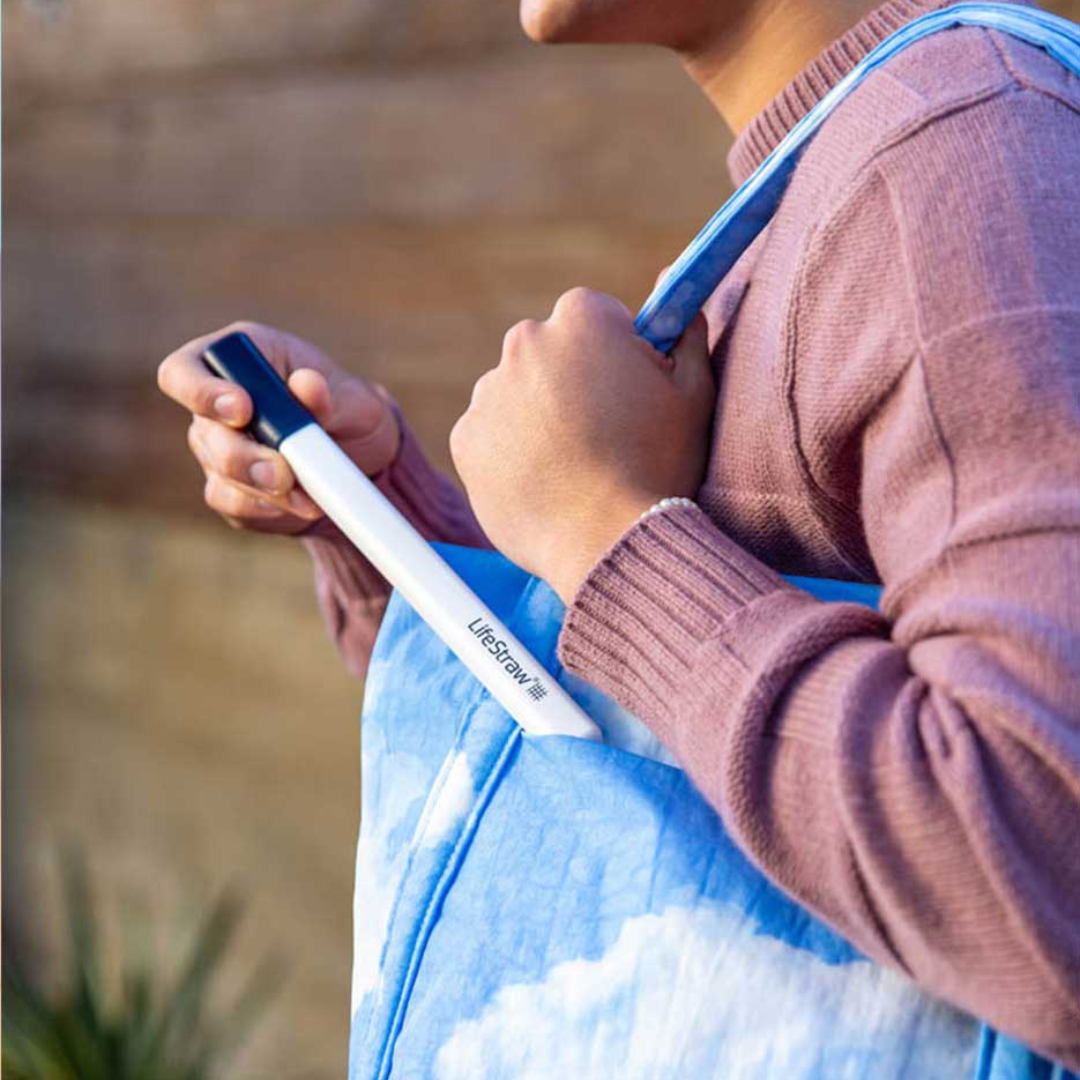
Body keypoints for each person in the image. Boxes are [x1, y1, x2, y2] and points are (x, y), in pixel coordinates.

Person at [157, 0, 1080, 1067]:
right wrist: (385, 524)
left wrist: (606, 532)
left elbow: (1041, 857)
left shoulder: (963, 149)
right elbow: (639, 769)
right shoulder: (858, 171)